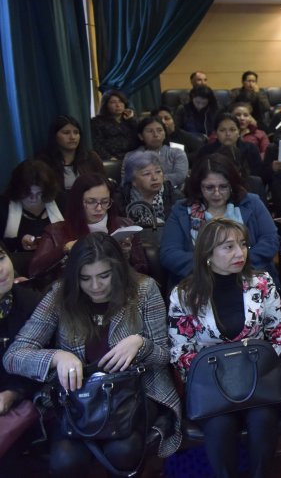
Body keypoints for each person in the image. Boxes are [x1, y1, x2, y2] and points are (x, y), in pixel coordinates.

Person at [5, 233, 183, 476]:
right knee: (65, 461)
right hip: (79, 397)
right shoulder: (60, 295)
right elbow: (14, 356)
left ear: (118, 270)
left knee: (123, 450)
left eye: (104, 276)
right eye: (85, 278)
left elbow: (164, 355)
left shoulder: (143, 289)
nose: (96, 286)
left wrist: (141, 344)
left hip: (134, 390)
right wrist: (56, 357)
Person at [167, 219, 281, 477]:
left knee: (262, 420)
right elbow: (180, 350)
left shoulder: (261, 282)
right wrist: (220, 374)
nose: (239, 253)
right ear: (207, 254)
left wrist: (259, 366)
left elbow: (279, 332)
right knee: (219, 426)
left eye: (243, 244)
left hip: (258, 378)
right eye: (228, 247)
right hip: (211, 386)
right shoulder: (184, 294)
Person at [161, 154, 280, 288]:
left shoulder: (251, 203)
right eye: (209, 187)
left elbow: (271, 240)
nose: (217, 193)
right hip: (198, 283)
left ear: (232, 184)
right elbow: (169, 253)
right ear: (199, 186)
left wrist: (237, 263)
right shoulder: (181, 210)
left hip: (250, 277)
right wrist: (214, 267)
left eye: (223, 187)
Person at [29, 173, 147, 281]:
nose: (99, 208)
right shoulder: (56, 231)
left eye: (105, 201)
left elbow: (142, 269)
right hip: (73, 289)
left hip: (118, 287)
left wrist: (126, 256)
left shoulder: (124, 225)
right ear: (77, 202)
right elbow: (34, 270)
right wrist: (64, 249)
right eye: (91, 202)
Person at [0, 246, 44, 460]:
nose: (1, 269)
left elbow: (42, 364)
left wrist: (12, 393)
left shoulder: (32, 303)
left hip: (23, 402)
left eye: (1, 258)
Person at [1, 160, 63, 270]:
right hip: (16, 268)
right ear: (17, 190)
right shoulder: (3, 206)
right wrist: (18, 242)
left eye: (39, 193)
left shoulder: (61, 201)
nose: (34, 199)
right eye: (27, 194)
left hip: (58, 265)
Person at [114, 151, 178, 254]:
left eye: (158, 171)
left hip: (169, 249)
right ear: (133, 181)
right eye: (147, 174)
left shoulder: (175, 197)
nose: (155, 178)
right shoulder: (120, 200)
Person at [37, 115, 104, 195]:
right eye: (66, 133)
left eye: (76, 133)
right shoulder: (44, 161)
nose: (72, 137)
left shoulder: (91, 157)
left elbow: (104, 183)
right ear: (54, 136)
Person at [123, 115, 190, 190]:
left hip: (173, 193)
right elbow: (126, 182)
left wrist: (148, 181)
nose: (156, 135)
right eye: (150, 131)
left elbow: (179, 176)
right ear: (141, 136)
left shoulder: (177, 153)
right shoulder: (131, 156)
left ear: (165, 134)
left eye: (159, 130)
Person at [90, 89, 138, 161]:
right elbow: (96, 144)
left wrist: (131, 119)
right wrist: (109, 158)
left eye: (120, 101)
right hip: (111, 159)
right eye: (113, 102)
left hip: (133, 157)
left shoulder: (129, 121)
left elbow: (139, 137)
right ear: (106, 105)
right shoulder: (97, 122)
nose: (118, 105)